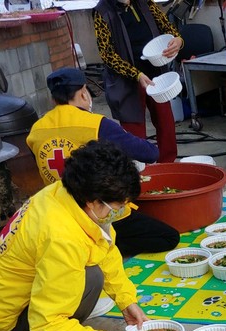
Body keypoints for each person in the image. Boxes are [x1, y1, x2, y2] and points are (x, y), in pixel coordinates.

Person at [0, 141, 150, 331]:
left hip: (9, 299)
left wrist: (127, 301)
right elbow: (45, 322)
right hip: (13, 325)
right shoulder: (62, 237)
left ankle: (73, 305)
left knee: (91, 271)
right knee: (91, 277)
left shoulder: (66, 193)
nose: (121, 211)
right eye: (118, 206)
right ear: (94, 202)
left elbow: (105, 249)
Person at [26, 67, 179, 258]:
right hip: (99, 213)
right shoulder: (96, 124)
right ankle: (98, 248)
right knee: (168, 237)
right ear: (83, 93)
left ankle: (85, 247)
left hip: (59, 214)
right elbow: (149, 153)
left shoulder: (36, 130)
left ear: (53, 99)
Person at [93, 0, 182, 163]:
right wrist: (136, 74)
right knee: (134, 136)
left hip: (156, 75)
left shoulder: (145, 2)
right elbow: (107, 55)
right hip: (126, 81)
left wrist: (178, 41)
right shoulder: (102, 12)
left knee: (166, 124)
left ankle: (168, 167)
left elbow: (168, 28)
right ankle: (141, 177)